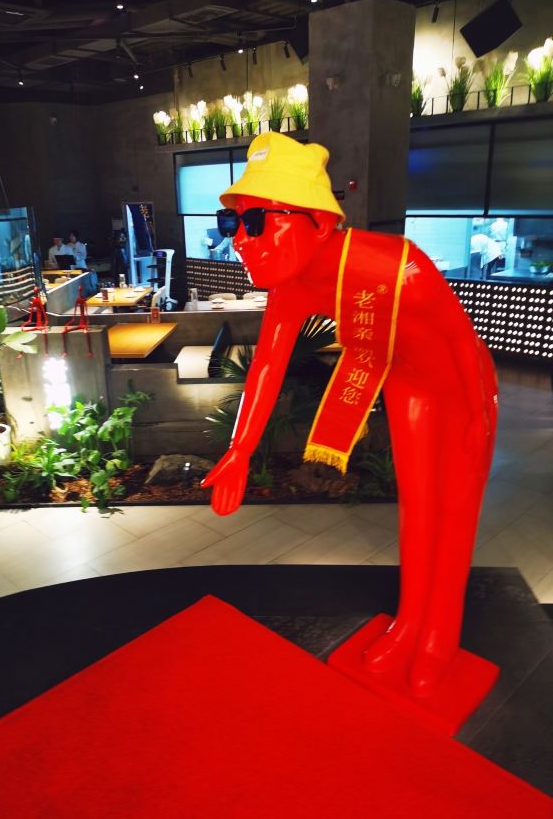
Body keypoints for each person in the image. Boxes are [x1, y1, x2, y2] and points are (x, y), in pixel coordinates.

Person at [202, 132, 498, 699]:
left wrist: (479, 414)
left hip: (463, 394)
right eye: (231, 223)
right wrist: (239, 449)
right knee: (418, 515)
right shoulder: (295, 286)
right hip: (409, 390)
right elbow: (266, 365)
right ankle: (409, 625)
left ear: (318, 222)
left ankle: (439, 638)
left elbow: (462, 341)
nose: (238, 239)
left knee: (454, 515)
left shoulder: (400, 264)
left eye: (256, 221)